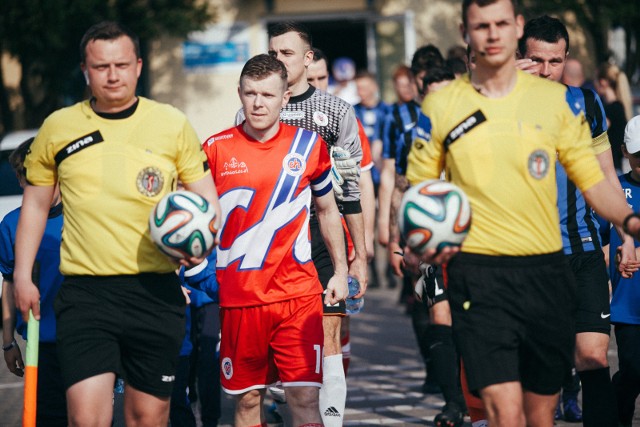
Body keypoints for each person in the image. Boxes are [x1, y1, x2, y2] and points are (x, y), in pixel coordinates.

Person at [406, 1, 640, 426]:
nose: (492, 35)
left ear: (514, 28)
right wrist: (419, 244)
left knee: (543, 406)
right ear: (466, 33)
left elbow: (596, 178)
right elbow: (423, 189)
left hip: (550, 267)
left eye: (500, 24)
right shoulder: (443, 106)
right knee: (503, 408)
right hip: (480, 270)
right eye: (481, 26)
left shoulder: (561, 106)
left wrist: (629, 227)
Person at [12, 21, 221, 427]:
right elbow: (35, 206)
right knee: (87, 419)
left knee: (148, 417)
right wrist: (22, 275)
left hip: (154, 291)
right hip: (86, 294)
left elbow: (207, 200)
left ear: (138, 66)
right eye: (101, 66)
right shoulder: (58, 127)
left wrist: (200, 241)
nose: (112, 75)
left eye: (121, 64)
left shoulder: (171, 123)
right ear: (85, 70)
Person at [204, 53, 348, 427]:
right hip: (240, 300)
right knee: (249, 402)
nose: (258, 103)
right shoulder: (215, 149)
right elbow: (196, 219)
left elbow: (328, 211)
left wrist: (341, 270)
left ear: (285, 97)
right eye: (250, 93)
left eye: (268, 95)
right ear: (239, 93)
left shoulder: (309, 145)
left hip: (297, 297)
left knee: (304, 400)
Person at [516, 14, 636, 426]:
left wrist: (624, 234)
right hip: (526, 258)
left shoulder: (585, 102)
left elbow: (605, 175)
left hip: (582, 250)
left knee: (592, 355)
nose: (546, 71)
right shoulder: (497, 104)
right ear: (520, 58)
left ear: (566, 58)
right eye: (536, 60)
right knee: (537, 370)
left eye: (555, 61)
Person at [256, 22, 367, 426]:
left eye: (285, 53)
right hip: (270, 249)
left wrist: (360, 257)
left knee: (329, 338)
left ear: (307, 58)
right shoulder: (257, 106)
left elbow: (350, 189)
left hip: (323, 241)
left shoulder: (337, 111)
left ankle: (330, 421)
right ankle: (286, 407)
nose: (277, 60)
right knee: (275, 350)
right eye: (272, 52)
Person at [307, 47, 376, 377]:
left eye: (322, 78)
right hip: (295, 240)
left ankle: (329, 403)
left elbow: (363, 182)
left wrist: (366, 244)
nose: (318, 85)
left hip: (339, 237)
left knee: (334, 324)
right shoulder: (281, 120)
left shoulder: (343, 118)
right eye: (311, 79)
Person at [0, 137, 66, 426]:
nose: (33, 185)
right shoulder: (12, 225)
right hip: (42, 344)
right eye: (26, 178)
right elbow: (9, 284)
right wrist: (7, 342)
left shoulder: (85, 216)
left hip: (89, 336)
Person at [602, 115, 640, 427]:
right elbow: (598, 242)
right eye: (639, 155)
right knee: (634, 370)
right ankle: (618, 410)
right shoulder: (614, 192)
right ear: (624, 151)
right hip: (628, 305)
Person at [595, 63, 634, 172]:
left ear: (602, 82)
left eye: (596, 80)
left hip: (611, 170)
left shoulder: (611, 110)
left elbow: (597, 133)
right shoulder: (619, 107)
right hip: (616, 168)